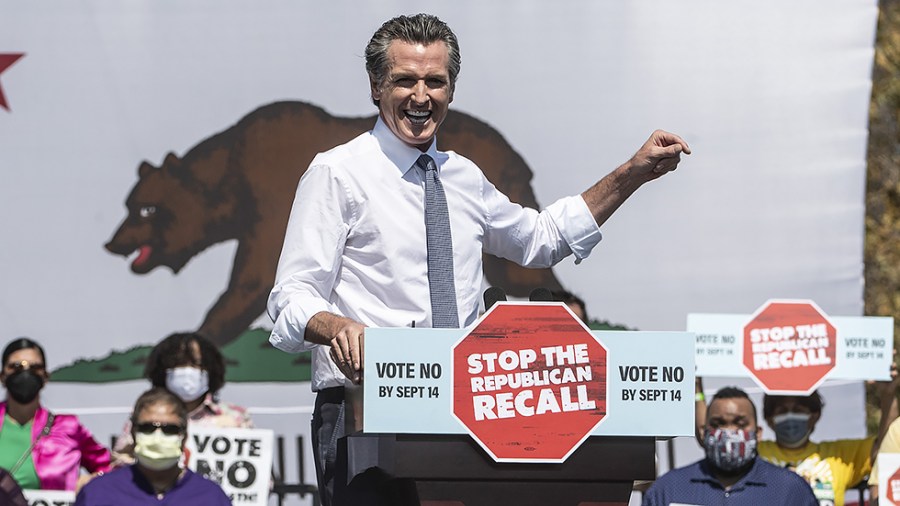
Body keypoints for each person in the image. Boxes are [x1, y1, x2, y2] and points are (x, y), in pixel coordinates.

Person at [266, 13, 690, 505]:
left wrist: (632, 174)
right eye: (405, 80)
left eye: (435, 82)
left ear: (452, 89)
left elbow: (543, 238)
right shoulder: (337, 172)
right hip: (368, 406)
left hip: (465, 407)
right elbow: (290, 296)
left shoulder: (462, 175)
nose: (421, 97)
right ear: (376, 86)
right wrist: (337, 326)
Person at [695, 377, 898, 506]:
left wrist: (888, 396)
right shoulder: (756, 453)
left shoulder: (838, 455)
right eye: (782, 411)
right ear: (768, 420)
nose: (790, 416)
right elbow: (711, 439)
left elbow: (886, 449)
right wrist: (696, 390)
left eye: (798, 410)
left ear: (815, 415)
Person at [643, 386, 818, 505]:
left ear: (758, 433)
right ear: (704, 432)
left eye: (740, 423)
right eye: (719, 423)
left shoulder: (790, 489)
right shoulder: (669, 488)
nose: (729, 431)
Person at [112, 332, 253, 465]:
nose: (187, 371)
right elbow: (119, 464)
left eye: (195, 364)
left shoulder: (235, 417)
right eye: (178, 364)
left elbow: (259, 473)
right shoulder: (146, 416)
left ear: (210, 369)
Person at [75, 388, 231, 505]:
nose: (158, 436)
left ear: (184, 437)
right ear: (134, 434)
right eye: (148, 428)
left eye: (169, 429)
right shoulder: (98, 493)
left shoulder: (211, 497)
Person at [0, 337, 110, 491]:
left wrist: (91, 482)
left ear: (45, 377)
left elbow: (109, 469)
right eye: (17, 366)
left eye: (35, 367)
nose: (25, 372)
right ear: (2, 376)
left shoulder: (68, 426)